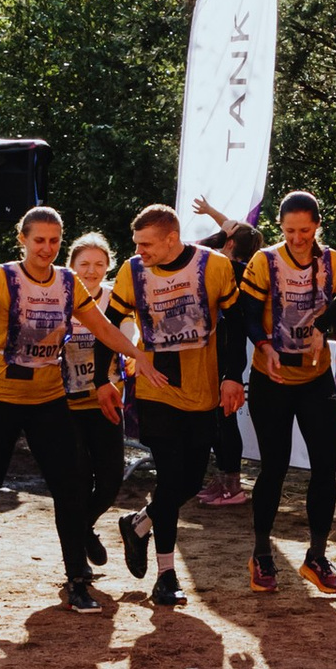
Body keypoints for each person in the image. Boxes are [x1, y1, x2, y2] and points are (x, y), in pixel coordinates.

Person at [0, 205, 137, 611]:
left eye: (54, 241)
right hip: (0, 398)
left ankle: (77, 580)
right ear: (22, 239)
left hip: (48, 399)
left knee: (70, 488)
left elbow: (104, 328)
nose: (47, 248)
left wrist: (139, 357)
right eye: (39, 240)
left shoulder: (69, 281)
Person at [105, 205, 244, 610]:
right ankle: (166, 575)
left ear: (171, 238)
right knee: (169, 477)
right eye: (136, 244)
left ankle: (138, 523)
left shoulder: (215, 267)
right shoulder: (132, 271)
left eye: (146, 244)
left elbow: (235, 324)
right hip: (156, 388)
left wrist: (232, 375)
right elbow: (108, 325)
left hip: (202, 391)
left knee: (188, 482)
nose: (139, 251)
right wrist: (106, 377)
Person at [230, 191, 336, 596]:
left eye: (305, 230)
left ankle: (317, 556)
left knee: (325, 467)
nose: (298, 238)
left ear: (317, 224)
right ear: (279, 228)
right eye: (289, 231)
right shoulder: (265, 261)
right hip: (274, 378)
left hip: (317, 376)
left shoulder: (333, 261)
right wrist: (264, 347)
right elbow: (247, 315)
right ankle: (262, 553)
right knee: (274, 467)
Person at [190, 199, 266, 504]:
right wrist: (210, 211)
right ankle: (224, 480)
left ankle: (231, 485)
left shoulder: (222, 266)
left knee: (223, 418)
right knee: (221, 418)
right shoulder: (247, 265)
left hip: (220, 349)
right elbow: (236, 229)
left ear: (230, 241)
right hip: (223, 348)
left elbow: (232, 230)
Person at [63, 231, 131, 564]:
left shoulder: (115, 300)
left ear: (108, 266)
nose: (91, 271)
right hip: (65, 406)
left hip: (107, 401)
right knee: (76, 478)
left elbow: (131, 341)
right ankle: (76, 556)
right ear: (71, 265)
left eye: (99, 264)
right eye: (85, 264)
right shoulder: (58, 297)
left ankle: (82, 527)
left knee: (110, 481)